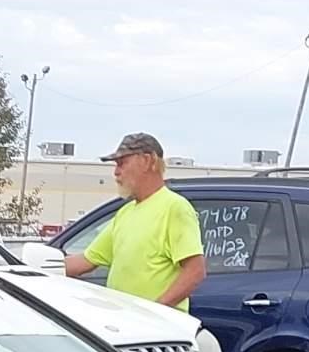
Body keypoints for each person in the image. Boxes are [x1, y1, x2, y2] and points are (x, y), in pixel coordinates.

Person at [65, 132, 205, 309]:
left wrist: (156, 309)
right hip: (126, 325)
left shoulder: (175, 208)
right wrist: (32, 267)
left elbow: (195, 271)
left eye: (122, 163)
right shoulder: (125, 212)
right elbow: (85, 261)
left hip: (157, 328)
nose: (116, 172)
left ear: (147, 161)